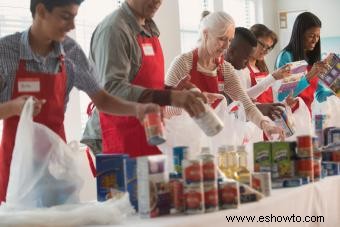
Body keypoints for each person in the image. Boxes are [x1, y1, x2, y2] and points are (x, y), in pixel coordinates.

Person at [0, 0, 161, 203]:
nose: (72, 26)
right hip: (17, 167)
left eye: (74, 18)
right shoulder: (6, 52)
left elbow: (101, 99)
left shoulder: (71, 52)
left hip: (55, 167)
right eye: (65, 17)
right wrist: (13, 107)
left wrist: (138, 108)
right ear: (41, 11)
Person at [81, 0, 206, 157]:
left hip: (148, 132)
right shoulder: (114, 30)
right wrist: (170, 97)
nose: (158, 2)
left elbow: (142, 83)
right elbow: (111, 90)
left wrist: (171, 91)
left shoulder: (148, 29)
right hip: (117, 134)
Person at [165, 11, 284, 140]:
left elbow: (246, 104)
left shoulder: (225, 68)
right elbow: (163, 109)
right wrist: (189, 102)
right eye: (222, 39)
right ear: (206, 34)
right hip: (185, 139)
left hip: (213, 138)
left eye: (230, 40)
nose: (227, 46)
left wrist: (266, 125)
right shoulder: (183, 63)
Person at [225, 26, 288, 120]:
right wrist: (272, 78)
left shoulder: (261, 68)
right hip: (250, 122)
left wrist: (284, 103)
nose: (265, 51)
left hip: (264, 120)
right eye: (263, 45)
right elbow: (241, 98)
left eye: (269, 48)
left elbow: (269, 96)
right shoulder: (239, 68)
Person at [275, 12, 333, 112]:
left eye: (318, 36)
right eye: (311, 36)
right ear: (299, 34)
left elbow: (319, 94)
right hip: (291, 119)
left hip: (305, 117)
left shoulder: (310, 57)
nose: (315, 40)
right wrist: (309, 75)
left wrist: (334, 93)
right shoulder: (287, 56)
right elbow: (283, 97)